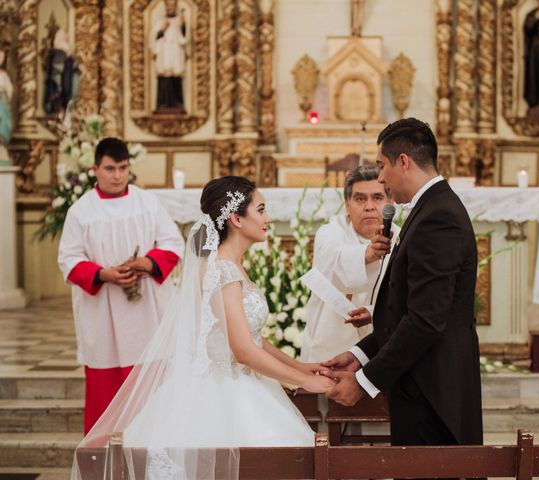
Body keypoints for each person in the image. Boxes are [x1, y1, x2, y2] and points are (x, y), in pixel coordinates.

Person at [72, 176, 335, 480]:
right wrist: (303, 383)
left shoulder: (228, 266)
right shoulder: (223, 271)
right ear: (236, 218)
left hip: (239, 382)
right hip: (225, 393)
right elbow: (244, 351)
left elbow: (252, 339)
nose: (267, 218)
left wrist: (301, 367)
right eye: (261, 210)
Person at [324, 118, 483, 453]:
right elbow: (404, 309)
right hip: (423, 383)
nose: (380, 177)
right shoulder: (430, 208)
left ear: (404, 162)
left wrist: (364, 382)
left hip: (432, 393)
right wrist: (360, 355)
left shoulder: (438, 217)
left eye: (382, 166)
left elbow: (424, 321)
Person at [58, 137, 184, 434]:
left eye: (123, 168)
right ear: (95, 169)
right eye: (110, 169)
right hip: (103, 313)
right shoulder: (81, 211)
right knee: (107, 387)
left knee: (153, 383)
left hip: (148, 311)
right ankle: (106, 455)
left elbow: (172, 242)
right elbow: (68, 258)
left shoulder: (147, 202)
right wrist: (105, 274)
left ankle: (154, 444)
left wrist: (148, 264)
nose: (117, 176)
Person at [301, 165, 398, 363]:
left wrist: (373, 313)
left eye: (377, 198)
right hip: (330, 343)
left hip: (382, 346)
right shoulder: (329, 232)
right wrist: (370, 253)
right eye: (360, 198)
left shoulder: (401, 238)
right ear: (347, 204)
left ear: (391, 202)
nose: (369, 206)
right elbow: (335, 267)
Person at [150, 0, 188, 113]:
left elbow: (184, 40)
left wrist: (183, 26)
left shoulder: (179, 21)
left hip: (175, 55)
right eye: (168, 6)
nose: (170, 8)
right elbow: (153, 39)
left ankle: (177, 104)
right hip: (164, 55)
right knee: (164, 80)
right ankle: (162, 104)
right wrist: (162, 30)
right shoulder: (160, 22)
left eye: (172, 6)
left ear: (175, 7)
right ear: (165, 7)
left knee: (175, 79)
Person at [44, 28, 79, 115]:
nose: (67, 36)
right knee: (59, 92)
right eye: (65, 34)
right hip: (60, 81)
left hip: (65, 78)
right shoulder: (59, 51)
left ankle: (65, 105)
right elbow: (57, 69)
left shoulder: (65, 50)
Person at [0, 48, 13, 166]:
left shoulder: (4, 76)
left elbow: (10, 91)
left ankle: (2, 150)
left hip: (2, 105)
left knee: (3, 127)